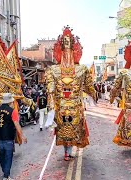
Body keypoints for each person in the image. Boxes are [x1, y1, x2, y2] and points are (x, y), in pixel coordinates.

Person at [45, 26, 96, 161]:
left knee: (73, 130)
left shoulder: (82, 69)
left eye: (69, 42)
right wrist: (51, 108)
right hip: (61, 108)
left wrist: (93, 96)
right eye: (64, 42)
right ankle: (67, 151)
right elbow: (50, 90)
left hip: (75, 107)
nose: (67, 45)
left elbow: (89, 87)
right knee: (64, 130)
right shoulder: (53, 70)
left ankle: (68, 151)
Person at [0, 93, 28, 180]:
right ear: (10, 102)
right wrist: (22, 136)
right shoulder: (12, 111)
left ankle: (5, 172)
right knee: (8, 157)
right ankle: (6, 176)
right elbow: (17, 124)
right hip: (9, 138)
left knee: (2, 156)